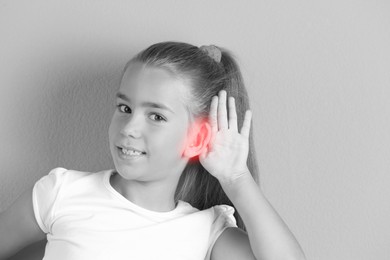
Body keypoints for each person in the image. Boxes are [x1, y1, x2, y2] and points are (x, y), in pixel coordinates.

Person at [0, 42, 306, 260]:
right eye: (124, 107)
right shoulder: (60, 192)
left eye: (156, 116)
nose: (129, 127)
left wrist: (236, 178)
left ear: (198, 139)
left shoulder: (207, 232)